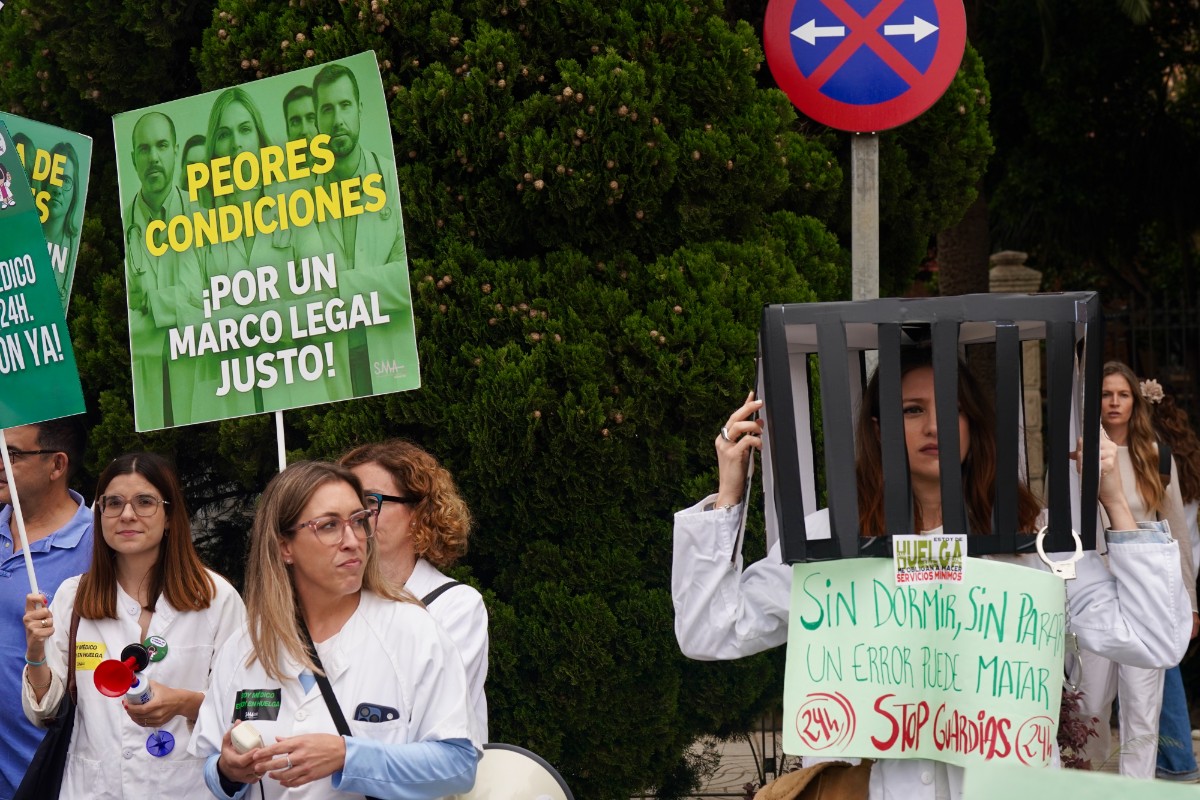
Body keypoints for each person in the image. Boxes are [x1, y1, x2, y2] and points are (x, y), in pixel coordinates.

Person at [673, 350, 1192, 800]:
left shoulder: (1029, 532)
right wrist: (728, 494)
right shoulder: (834, 536)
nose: (934, 427)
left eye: (953, 408)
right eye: (912, 409)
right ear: (879, 427)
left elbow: (1154, 638)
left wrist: (1114, 503)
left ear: (973, 423)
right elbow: (710, 629)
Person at [189, 461, 479, 799]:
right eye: (329, 526)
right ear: (284, 547)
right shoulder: (245, 646)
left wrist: (347, 756)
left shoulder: (414, 632)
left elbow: (458, 766)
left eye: (358, 521)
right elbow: (211, 766)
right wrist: (229, 772)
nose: (352, 540)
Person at [20, 452, 245, 799]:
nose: (127, 514)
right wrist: (36, 653)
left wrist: (183, 703)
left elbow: (242, 710)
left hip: (185, 788)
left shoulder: (216, 598)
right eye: (113, 503)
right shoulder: (74, 597)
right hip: (93, 788)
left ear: (169, 516)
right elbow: (45, 711)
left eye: (144, 502)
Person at [1076, 362, 1199, 778]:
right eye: (1105, 394)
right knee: (1090, 701)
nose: (1114, 402)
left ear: (1134, 401)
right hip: (1094, 588)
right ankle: (1088, 780)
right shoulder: (1078, 454)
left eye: (1122, 394)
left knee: (1143, 707)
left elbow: (1176, 533)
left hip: (1145, 590)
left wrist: (1189, 602)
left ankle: (1137, 789)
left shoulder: (1156, 455)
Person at [196, 87, 346, 417]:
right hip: (233, 395)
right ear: (214, 150)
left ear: (260, 141)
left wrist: (250, 319)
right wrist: (283, 312)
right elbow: (192, 318)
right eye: (224, 134)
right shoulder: (197, 227)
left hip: (301, 385)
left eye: (244, 130)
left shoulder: (294, 207)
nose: (236, 144)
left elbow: (326, 300)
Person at [339, 440, 489, 741]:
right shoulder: (332, 603)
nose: (356, 517)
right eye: (347, 506)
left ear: (419, 513)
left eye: (370, 502)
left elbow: (422, 713)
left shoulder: (456, 606)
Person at [0, 418, 93, 798]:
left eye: (12, 454)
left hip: (49, 773)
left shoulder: (101, 546)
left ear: (57, 464)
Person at [312, 63, 413, 398]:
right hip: (333, 364)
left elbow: (405, 281)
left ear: (359, 109)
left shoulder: (390, 180)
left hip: (390, 357)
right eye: (327, 109)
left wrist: (339, 285)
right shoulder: (301, 200)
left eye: (344, 105)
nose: (337, 120)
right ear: (317, 121)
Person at [125, 111, 204, 429]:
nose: (153, 158)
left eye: (161, 146)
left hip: (200, 378)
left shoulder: (203, 218)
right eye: (144, 149)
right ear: (133, 158)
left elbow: (210, 304)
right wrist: (181, 306)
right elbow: (128, 329)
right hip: (146, 388)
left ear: (175, 150)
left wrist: (150, 304)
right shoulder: (122, 226)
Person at [1146, 377, 1200, 781]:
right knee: (1165, 664)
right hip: (1185, 565)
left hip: (1162, 567)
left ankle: (1176, 759)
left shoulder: (1158, 458)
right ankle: (1173, 759)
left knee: (1161, 668)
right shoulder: (1190, 456)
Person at [41, 141, 82, 308]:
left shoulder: (78, 248)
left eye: (65, 180)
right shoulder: (21, 235)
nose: (58, 189)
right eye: (54, 176)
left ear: (75, 192)